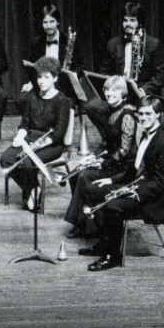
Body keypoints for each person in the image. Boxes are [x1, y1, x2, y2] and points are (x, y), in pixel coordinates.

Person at [80, 97, 164, 271]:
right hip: (136, 186)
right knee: (92, 189)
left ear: (158, 115)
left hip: (151, 199)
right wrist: (111, 180)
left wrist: (133, 192)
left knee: (112, 206)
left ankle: (113, 255)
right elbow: (133, 171)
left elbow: (159, 184)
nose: (144, 117)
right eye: (140, 114)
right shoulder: (145, 137)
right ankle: (106, 241)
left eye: (148, 114)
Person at [64, 75, 137, 237]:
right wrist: (95, 156)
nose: (109, 93)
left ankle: (81, 223)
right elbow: (108, 142)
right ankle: (84, 220)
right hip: (111, 162)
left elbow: (124, 150)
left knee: (84, 176)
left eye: (114, 90)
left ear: (123, 93)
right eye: (107, 90)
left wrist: (103, 164)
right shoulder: (111, 111)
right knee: (75, 173)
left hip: (123, 168)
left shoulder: (127, 115)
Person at [0, 56, 70, 211]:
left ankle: (31, 194)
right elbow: (25, 123)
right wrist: (20, 135)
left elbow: (59, 133)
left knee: (26, 163)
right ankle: (34, 188)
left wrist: (39, 145)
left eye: (46, 77)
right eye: (39, 76)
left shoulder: (62, 101)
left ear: (55, 78)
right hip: (30, 138)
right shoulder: (32, 96)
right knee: (6, 159)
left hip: (52, 144)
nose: (41, 81)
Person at [104, 2, 164, 99]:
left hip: (143, 93)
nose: (127, 24)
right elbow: (105, 71)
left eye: (132, 20)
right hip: (117, 92)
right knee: (92, 107)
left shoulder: (154, 44)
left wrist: (143, 90)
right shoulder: (112, 43)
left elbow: (160, 76)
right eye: (125, 20)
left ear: (141, 23)